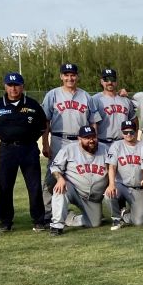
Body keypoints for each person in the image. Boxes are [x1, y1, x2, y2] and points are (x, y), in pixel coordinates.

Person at [0, 72, 49, 232]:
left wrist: (29, 139)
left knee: (34, 186)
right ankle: (5, 221)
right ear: (5, 86)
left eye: (17, 85)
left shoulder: (33, 105)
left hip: (29, 149)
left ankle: (38, 220)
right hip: (7, 150)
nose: (13, 88)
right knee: (5, 186)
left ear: (22, 86)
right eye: (10, 85)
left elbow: (42, 126)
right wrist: (8, 137)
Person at [42, 62, 98, 197]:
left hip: (81, 142)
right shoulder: (52, 94)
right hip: (59, 140)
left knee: (82, 175)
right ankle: (48, 208)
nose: (69, 78)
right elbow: (45, 121)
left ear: (77, 76)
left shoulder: (86, 96)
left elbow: (93, 122)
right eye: (66, 75)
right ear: (61, 76)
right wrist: (45, 144)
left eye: (72, 75)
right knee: (53, 175)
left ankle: (85, 205)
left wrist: (93, 141)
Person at [48, 125, 109, 235]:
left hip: (93, 198)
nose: (91, 140)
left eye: (93, 137)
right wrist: (60, 178)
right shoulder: (69, 149)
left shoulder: (105, 149)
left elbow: (113, 167)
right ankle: (57, 225)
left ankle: (70, 218)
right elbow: (55, 167)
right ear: (79, 139)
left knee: (95, 223)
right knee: (60, 189)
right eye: (87, 138)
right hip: (74, 190)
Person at [105, 119, 143, 230]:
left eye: (131, 132)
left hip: (138, 188)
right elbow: (112, 167)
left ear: (136, 131)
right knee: (109, 194)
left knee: (139, 222)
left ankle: (125, 214)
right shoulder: (116, 146)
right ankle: (116, 219)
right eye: (125, 132)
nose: (128, 134)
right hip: (121, 186)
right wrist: (111, 184)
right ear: (122, 132)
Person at [90, 68, 136, 146]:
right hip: (103, 142)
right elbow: (92, 123)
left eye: (112, 79)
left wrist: (135, 137)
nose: (110, 82)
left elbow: (133, 119)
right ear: (101, 81)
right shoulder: (95, 100)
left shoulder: (125, 100)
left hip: (123, 142)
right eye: (106, 79)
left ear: (116, 81)